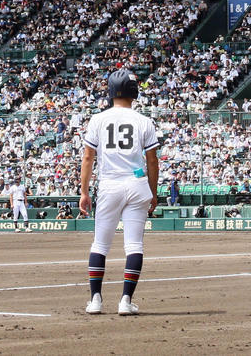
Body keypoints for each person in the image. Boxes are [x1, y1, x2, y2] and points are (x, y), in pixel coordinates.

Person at [80, 68, 160, 316]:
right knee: (134, 245)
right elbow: (153, 161)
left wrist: (84, 192)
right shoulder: (144, 121)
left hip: (109, 184)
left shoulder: (98, 119)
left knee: (100, 245)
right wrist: (153, 192)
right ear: (134, 92)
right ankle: (126, 301)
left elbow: (87, 157)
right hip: (137, 184)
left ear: (111, 91)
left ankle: (95, 300)